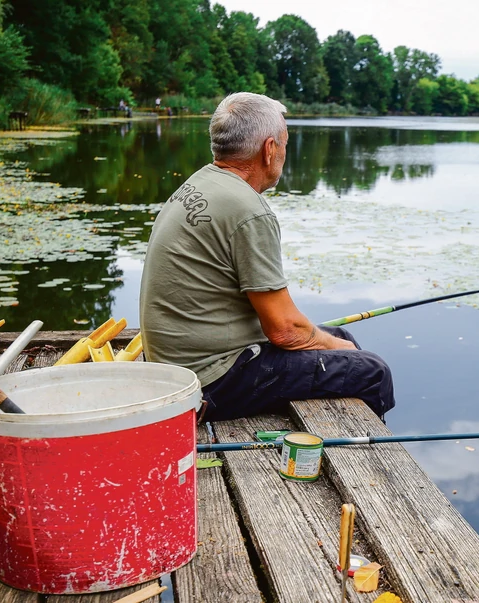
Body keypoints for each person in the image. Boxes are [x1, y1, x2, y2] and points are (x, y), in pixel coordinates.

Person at [139, 92, 395, 422]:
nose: (285, 154)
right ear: (269, 149)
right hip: (208, 383)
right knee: (371, 370)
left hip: (178, 362)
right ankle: (366, 460)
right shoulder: (248, 211)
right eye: (285, 144)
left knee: (340, 338)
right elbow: (285, 330)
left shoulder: (201, 182)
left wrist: (335, 345)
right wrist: (347, 353)